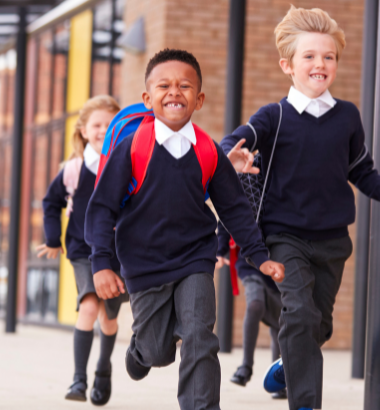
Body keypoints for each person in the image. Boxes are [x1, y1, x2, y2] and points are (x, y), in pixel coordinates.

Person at [220, 7, 380, 410]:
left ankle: (285, 364)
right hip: (283, 237)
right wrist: (229, 156)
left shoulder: (347, 116)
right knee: (302, 317)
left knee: (317, 324)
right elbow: (235, 141)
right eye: (309, 56)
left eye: (328, 57)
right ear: (287, 65)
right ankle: (305, 402)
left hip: (332, 241)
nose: (319, 64)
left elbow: (361, 170)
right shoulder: (273, 116)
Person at [85, 48, 285, 410]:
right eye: (164, 85)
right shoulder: (132, 148)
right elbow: (101, 207)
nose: (175, 92)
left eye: (185, 86)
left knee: (199, 334)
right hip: (144, 264)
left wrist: (259, 255)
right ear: (148, 98)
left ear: (200, 99)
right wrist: (101, 262)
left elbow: (235, 208)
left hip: (195, 257)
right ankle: (141, 349)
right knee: (159, 351)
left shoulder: (208, 151)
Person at [37, 95, 126, 405]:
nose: (104, 130)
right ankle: (79, 379)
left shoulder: (127, 162)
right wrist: (52, 239)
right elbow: (51, 203)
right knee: (89, 305)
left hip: (119, 252)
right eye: (97, 125)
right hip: (82, 249)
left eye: (110, 124)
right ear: (84, 130)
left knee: (109, 318)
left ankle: (103, 368)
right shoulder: (74, 169)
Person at [216, 224, 285, 400]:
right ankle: (245, 367)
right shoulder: (243, 194)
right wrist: (219, 250)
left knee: (280, 319)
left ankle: (279, 378)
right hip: (248, 258)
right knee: (255, 304)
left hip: (279, 258)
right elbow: (227, 217)